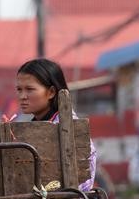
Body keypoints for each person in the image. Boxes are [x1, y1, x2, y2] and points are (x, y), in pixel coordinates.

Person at [15, 58, 96, 192]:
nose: (22, 96)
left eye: (29, 89)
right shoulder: (32, 128)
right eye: (19, 89)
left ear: (51, 92)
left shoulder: (70, 128)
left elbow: (83, 181)